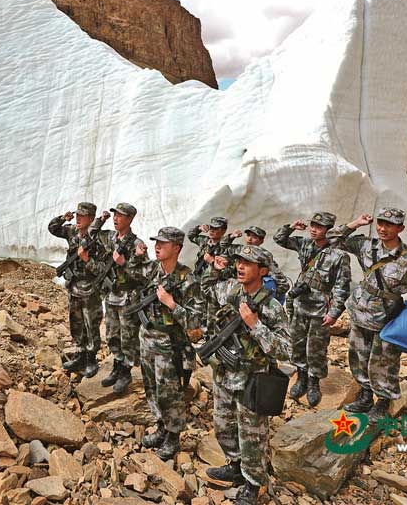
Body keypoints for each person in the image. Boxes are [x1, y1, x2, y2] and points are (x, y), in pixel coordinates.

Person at [327, 208, 407, 420]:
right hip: (360, 312)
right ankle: (365, 395)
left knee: (384, 362)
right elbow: (332, 239)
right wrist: (355, 223)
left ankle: (383, 401)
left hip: (387, 318)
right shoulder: (367, 245)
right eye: (380, 223)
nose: (382, 228)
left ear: (401, 228)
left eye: (389, 225)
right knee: (358, 357)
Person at [201, 246, 290, 505]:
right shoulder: (231, 290)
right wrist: (213, 270)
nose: (240, 266)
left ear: (262, 270)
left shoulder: (272, 307)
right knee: (222, 426)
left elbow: (286, 350)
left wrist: (255, 325)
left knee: (252, 436)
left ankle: (253, 482)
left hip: (252, 379)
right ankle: (235, 465)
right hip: (224, 374)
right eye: (238, 261)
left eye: (247, 263)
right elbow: (205, 290)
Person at [131, 227, 203, 460]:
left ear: (177, 248)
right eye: (156, 242)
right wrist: (135, 254)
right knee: (151, 388)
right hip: (147, 340)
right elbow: (130, 273)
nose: (157, 246)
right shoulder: (152, 269)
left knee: (170, 393)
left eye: (163, 243)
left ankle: (173, 436)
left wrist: (172, 304)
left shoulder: (188, 279)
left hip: (170, 346)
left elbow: (196, 320)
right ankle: (161, 425)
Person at [273, 212, 351, 407]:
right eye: (312, 225)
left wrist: (334, 313)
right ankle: (301, 377)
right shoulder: (305, 244)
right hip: (300, 303)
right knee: (298, 343)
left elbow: (343, 287)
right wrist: (291, 226)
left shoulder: (339, 256)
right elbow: (279, 239)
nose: (314, 229)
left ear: (328, 230)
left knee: (316, 348)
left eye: (319, 226)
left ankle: (314, 382)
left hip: (320, 308)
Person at [88, 203, 147, 393]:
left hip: (128, 298)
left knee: (128, 336)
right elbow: (91, 234)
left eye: (120, 216)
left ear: (129, 219)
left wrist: (126, 263)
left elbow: (144, 274)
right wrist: (100, 219)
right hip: (111, 296)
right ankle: (117, 366)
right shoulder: (109, 237)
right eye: (115, 215)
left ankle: (126, 372)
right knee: (113, 334)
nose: (116, 219)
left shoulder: (137, 244)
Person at [49, 202, 108, 378]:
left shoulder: (99, 239)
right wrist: (62, 218)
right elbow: (52, 228)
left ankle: (91, 358)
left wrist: (87, 259)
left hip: (91, 289)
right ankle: (80, 353)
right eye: (77, 215)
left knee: (91, 325)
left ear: (91, 219)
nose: (78, 218)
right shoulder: (72, 232)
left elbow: (102, 269)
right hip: (74, 287)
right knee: (76, 323)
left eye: (82, 216)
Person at [218, 225, 290, 299]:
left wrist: (268, 299)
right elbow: (222, 245)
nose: (249, 239)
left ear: (261, 241)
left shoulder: (264, 257)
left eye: (254, 237)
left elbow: (282, 283)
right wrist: (231, 236)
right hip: (235, 290)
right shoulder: (239, 250)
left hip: (253, 294)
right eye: (248, 235)